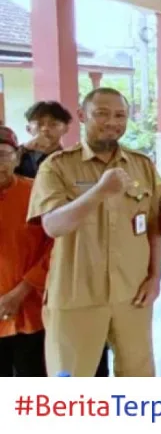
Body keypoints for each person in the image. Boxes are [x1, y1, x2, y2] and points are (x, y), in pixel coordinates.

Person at [28, 88, 161, 377]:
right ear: (81, 115)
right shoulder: (56, 166)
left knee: (139, 378)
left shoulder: (142, 165)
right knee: (71, 382)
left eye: (120, 115)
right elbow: (53, 225)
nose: (112, 122)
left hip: (132, 293)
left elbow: (155, 227)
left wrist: (155, 278)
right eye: (101, 113)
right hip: (76, 294)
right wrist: (99, 191)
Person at [0, 127, 52, 377]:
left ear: (17, 157)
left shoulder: (36, 193)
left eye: (2, 155)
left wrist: (21, 292)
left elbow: (55, 246)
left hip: (32, 310)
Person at [15, 101, 71, 178]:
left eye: (53, 124)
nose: (45, 128)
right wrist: (23, 148)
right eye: (39, 124)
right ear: (28, 129)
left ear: (66, 129)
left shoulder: (71, 159)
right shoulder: (18, 155)